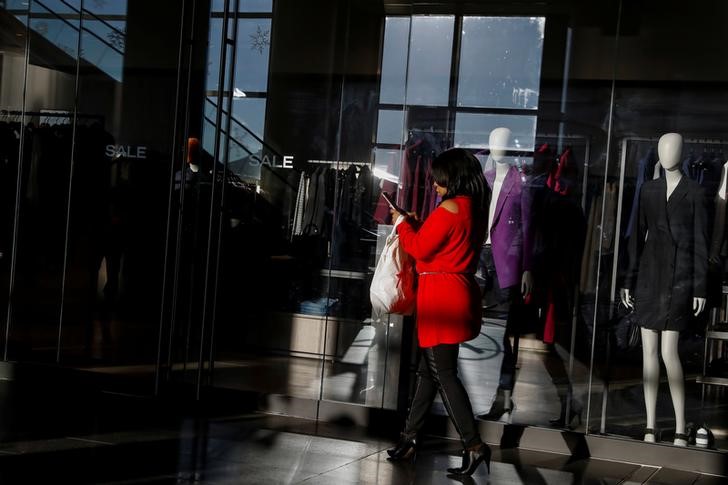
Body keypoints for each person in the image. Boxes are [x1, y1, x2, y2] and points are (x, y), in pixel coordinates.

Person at [386, 148, 491, 477]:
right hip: (455, 292)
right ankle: (409, 438)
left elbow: (418, 248)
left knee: (442, 374)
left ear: (453, 177)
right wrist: (415, 225)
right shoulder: (471, 207)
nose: (432, 184)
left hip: (441, 298)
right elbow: (440, 245)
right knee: (429, 373)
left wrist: (402, 224)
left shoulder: (449, 207)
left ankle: (474, 445)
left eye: (437, 179)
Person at [620, 133, 708, 447]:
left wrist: (698, 286)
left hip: (678, 280)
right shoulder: (648, 190)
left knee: (670, 354)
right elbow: (635, 240)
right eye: (662, 147)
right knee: (648, 355)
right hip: (649, 277)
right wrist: (628, 280)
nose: (667, 152)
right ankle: (649, 425)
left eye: (673, 147)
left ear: (682, 153)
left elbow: (701, 243)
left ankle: (681, 427)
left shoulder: (695, 192)